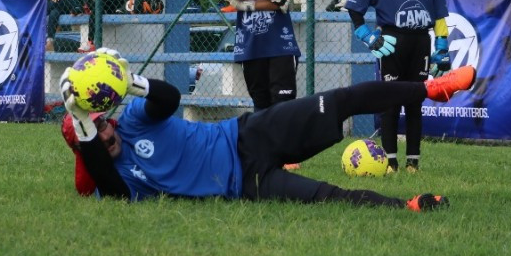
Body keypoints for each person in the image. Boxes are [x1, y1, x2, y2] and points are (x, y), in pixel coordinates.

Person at [59, 49, 474, 208]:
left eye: (103, 122)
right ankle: (407, 205)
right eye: (94, 133)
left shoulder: (133, 119)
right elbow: (108, 191)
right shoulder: (117, 179)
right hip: (246, 183)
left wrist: (130, 81)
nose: (107, 133)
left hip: (248, 134)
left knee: (341, 100)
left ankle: (430, 88)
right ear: (85, 144)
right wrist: (81, 124)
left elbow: (167, 100)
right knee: (325, 197)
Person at [345, 0, 456, 173]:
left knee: (415, 103)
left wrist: (442, 46)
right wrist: (366, 36)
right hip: (391, 43)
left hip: (420, 43)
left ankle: (413, 163)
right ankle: (391, 162)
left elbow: (439, 15)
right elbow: (354, 8)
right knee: (390, 103)